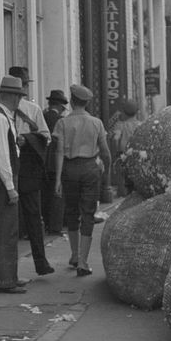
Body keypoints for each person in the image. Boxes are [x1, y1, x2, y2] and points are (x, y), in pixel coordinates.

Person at [52, 85, 111, 276]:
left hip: (69, 170)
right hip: (90, 169)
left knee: (71, 212)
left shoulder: (62, 123)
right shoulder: (96, 123)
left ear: (71, 101)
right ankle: (83, 263)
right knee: (88, 213)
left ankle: (74, 254)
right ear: (86, 103)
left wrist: (58, 179)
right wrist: (105, 168)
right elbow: (104, 151)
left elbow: (59, 151)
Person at [0, 75, 31, 294]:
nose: (20, 100)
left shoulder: (2, 117)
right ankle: (4, 281)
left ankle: (10, 276)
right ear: (9, 96)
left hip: (1, 177)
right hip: (2, 179)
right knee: (5, 230)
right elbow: (2, 157)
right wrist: (10, 187)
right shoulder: (0, 119)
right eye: (18, 96)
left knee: (9, 229)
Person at [8, 66, 54, 276]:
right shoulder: (3, 110)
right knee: (30, 215)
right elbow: (48, 136)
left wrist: (26, 139)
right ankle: (34, 264)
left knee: (29, 215)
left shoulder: (32, 110)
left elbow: (45, 136)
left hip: (25, 162)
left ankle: (36, 263)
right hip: (14, 162)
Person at [41, 89, 68, 234]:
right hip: (56, 161)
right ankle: (55, 226)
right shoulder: (61, 121)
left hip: (41, 161)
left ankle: (44, 222)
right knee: (57, 194)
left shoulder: (42, 116)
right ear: (60, 106)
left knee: (44, 194)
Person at [107, 99, 142, 197]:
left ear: (124, 112)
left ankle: (123, 195)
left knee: (122, 179)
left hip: (123, 155)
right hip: (137, 155)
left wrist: (116, 151)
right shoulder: (141, 125)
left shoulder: (120, 125)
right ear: (137, 112)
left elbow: (115, 138)